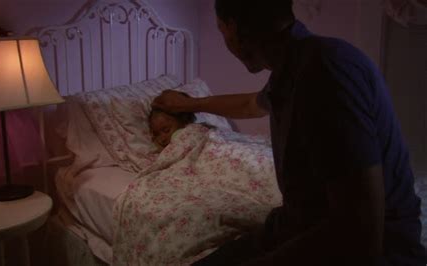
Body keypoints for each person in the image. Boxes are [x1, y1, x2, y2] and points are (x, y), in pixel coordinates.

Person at [151, 0, 426, 265]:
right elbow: (250, 104)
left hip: (378, 250)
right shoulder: (295, 66)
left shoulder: (325, 71)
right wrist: (190, 103)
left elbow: (359, 237)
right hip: (300, 224)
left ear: (233, 29)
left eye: (221, 30)